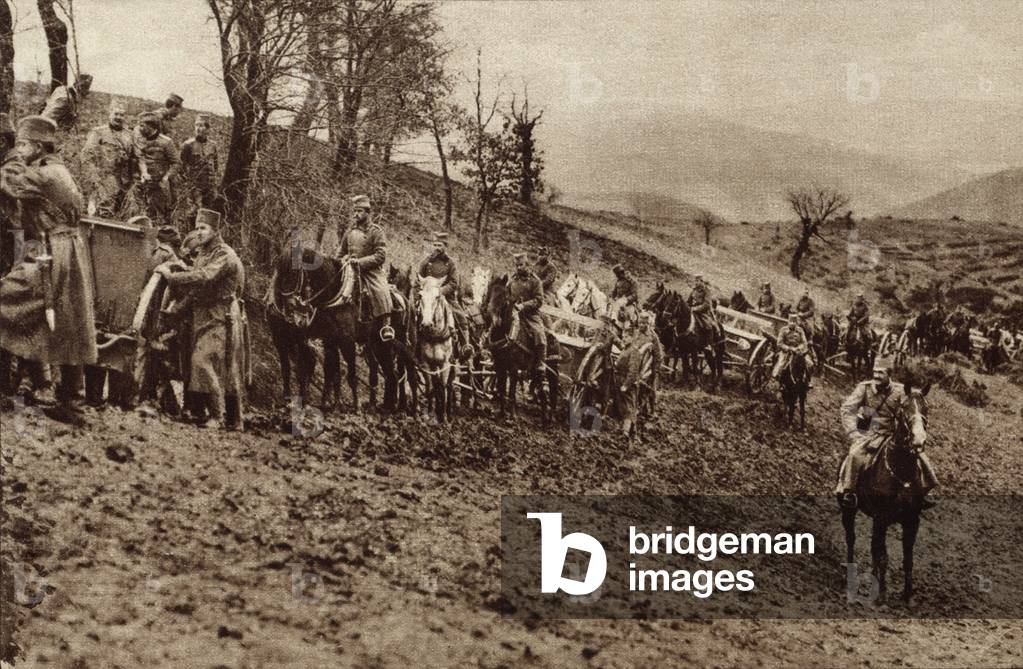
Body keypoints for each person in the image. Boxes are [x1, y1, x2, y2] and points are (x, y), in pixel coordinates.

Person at [0, 115, 97, 424]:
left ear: (38, 147)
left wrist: (10, 161)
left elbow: (8, 183)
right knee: (70, 325)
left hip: (52, 254)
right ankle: (73, 404)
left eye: (24, 145)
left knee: (6, 300)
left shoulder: (42, 175)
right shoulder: (59, 170)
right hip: (68, 252)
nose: (19, 149)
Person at [155, 209, 245, 429]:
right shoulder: (205, 253)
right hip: (202, 315)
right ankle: (234, 420)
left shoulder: (225, 254)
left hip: (221, 316)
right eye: (197, 227)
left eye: (203, 228)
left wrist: (172, 277)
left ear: (216, 231)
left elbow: (205, 277)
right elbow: (195, 292)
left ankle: (218, 415)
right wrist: (174, 313)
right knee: (217, 367)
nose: (199, 232)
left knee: (202, 361)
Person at [835, 358, 938, 509]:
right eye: (875, 372)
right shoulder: (864, 389)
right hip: (868, 434)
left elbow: (911, 406)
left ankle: (924, 491)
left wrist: (915, 429)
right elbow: (846, 410)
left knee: (920, 456)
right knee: (854, 455)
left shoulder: (900, 390)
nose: (876, 376)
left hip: (892, 434)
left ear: (889, 374)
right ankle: (849, 492)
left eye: (881, 373)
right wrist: (853, 432)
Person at [338, 194, 392, 324]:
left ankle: (386, 324)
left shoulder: (376, 231)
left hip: (370, 272)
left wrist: (360, 262)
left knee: (381, 291)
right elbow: (340, 253)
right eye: (355, 211)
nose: (356, 214)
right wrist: (341, 261)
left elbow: (380, 256)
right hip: (349, 270)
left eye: (360, 211)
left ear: (368, 213)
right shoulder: (349, 232)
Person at [415, 231, 468, 351]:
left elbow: (454, 283)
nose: (437, 248)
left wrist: (440, 291)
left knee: (461, 318)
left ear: (445, 246)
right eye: (435, 245)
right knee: (412, 316)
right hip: (427, 297)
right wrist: (418, 296)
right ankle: (413, 344)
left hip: (446, 297)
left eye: (440, 245)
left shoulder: (450, 263)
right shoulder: (426, 262)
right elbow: (418, 281)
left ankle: (465, 348)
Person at [81, 101, 136, 216]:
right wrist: (94, 179)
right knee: (102, 212)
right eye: (116, 114)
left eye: (122, 115)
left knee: (121, 213)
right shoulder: (98, 132)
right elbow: (87, 156)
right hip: (103, 179)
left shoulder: (130, 135)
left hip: (124, 182)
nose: (119, 117)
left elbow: (134, 159)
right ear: (109, 113)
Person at [617, 309, 662, 440]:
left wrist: (655, 371)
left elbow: (658, 356)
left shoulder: (653, 337)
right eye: (640, 323)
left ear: (649, 324)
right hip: (630, 359)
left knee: (651, 387)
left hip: (642, 367)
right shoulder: (635, 333)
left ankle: (652, 410)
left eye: (645, 324)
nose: (642, 326)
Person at [133, 111, 179, 226]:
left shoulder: (166, 142)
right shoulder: (139, 139)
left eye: (142, 126)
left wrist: (166, 178)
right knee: (138, 215)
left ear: (151, 126)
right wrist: (143, 173)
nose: (139, 128)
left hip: (159, 188)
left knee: (159, 219)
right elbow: (140, 158)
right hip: (142, 185)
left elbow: (176, 163)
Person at [508, 252, 547, 372]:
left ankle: (541, 362)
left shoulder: (536, 281)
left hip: (530, 315)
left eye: (520, 265)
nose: (518, 268)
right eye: (516, 265)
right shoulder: (512, 279)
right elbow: (506, 293)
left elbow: (539, 300)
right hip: (513, 312)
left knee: (539, 333)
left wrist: (523, 306)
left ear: (527, 265)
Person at [178, 115, 219, 217]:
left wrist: (214, 180)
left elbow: (215, 164)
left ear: (208, 128)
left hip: (210, 185)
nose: (198, 129)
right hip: (195, 186)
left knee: (210, 212)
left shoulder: (213, 145)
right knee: (195, 212)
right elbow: (180, 165)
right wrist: (187, 182)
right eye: (196, 125)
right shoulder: (188, 145)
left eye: (201, 126)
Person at [772, 313, 810, 381]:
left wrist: (798, 348)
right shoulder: (783, 330)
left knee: (809, 364)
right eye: (791, 322)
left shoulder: (800, 330)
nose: (792, 323)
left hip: (798, 351)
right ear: (788, 322)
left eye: (794, 322)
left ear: (796, 323)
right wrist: (788, 348)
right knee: (780, 365)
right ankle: (777, 379)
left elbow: (804, 342)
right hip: (786, 352)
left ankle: (808, 380)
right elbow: (779, 343)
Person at [687, 275, 720, 339]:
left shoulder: (706, 291)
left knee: (707, 325)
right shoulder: (694, 290)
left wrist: (696, 309)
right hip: (692, 310)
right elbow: (688, 301)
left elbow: (706, 304)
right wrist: (687, 307)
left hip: (703, 312)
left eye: (697, 281)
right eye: (695, 281)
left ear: (702, 282)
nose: (696, 283)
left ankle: (708, 342)